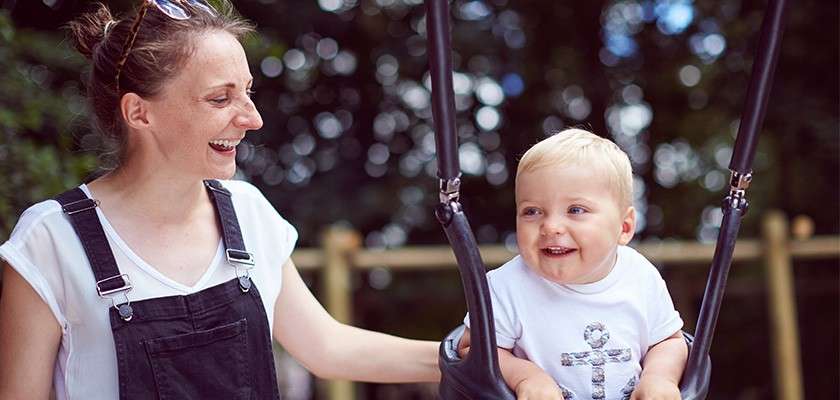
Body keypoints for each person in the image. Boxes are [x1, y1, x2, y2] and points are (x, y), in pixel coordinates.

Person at [0, 1, 439, 399]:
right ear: (139, 113)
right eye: (220, 98)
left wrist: (461, 356)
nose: (252, 118)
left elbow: (328, 348)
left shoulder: (247, 212)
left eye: (248, 92)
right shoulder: (50, 240)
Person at [460, 128, 688, 400]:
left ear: (624, 227)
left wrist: (659, 378)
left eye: (575, 210)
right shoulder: (505, 286)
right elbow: (470, 349)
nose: (551, 226)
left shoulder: (640, 276)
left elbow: (668, 342)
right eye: (532, 211)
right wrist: (525, 376)